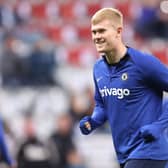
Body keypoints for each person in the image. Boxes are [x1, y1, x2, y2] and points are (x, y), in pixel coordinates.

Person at [79, 7, 168, 168]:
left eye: (101, 31)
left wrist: (159, 125)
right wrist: (93, 121)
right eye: (94, 32)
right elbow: (102, 104)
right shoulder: (98, 69)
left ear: (118, 32)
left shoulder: (143, 63)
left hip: (149, 151)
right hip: (124, 153)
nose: (97, 37)